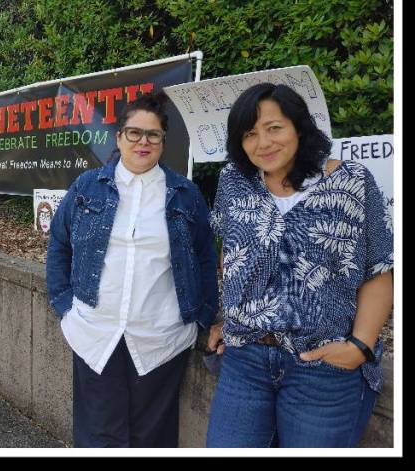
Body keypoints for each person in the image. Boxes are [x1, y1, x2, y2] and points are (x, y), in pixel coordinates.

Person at [205, 83, 393, 448]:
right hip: (245, 360)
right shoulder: (234, 182)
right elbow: (231, 254)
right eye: (250, 134)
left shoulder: (351, 182)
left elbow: (378, 270)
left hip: (322, 368)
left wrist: (359, 347)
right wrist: (231, 317)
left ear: (299, 127)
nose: (263, 143)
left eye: (274, 128)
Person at [46, 91, 218, 447]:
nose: (143, 142)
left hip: (161, 335)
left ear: (163, 141)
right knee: (100, 437)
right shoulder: (87, 187)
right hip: (96, 333)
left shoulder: (185, 194)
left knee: (151, 437)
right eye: (134, 133)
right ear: (119, 137)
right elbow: (59, 244)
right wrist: (64, 305)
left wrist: (203, 315)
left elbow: (204, 256)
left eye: (153, 134)